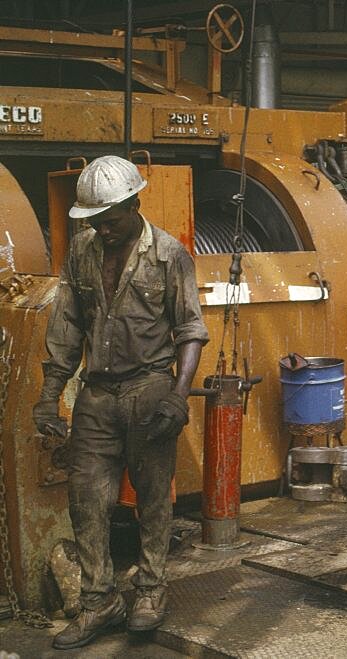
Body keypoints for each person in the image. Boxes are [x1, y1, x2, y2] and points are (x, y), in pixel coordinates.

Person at [33, 156, 208, 648]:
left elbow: (191, 330)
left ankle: (151, 590)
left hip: (150, 388)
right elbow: (66, 329)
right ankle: (99, 601)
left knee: (152, 499)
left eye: (109, 219)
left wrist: (178, 396)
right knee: (86, 500)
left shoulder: (169, 255)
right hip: (97, 395)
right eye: (93, 221)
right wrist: (50, 398)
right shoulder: (82, 253)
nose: (101, 229)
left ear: (135, 204)